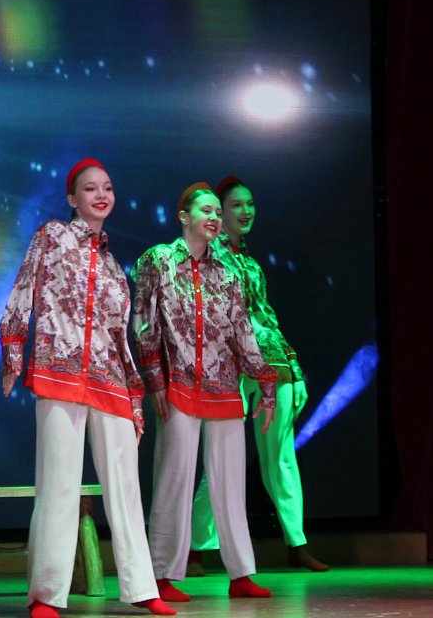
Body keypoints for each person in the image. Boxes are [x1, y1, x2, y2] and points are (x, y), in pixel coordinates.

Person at [0, 157, 175, 618]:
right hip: (59, 371)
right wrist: (13, 349)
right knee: (59, 483)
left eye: (108, 188)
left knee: (125, 485)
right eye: (91, 188)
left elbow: (121, 340)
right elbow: (23, 290)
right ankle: (47, 594)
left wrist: (135, 399)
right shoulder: (51, 237)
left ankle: (142, 587)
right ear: (72, 198)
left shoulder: (117, 269)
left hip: (110, 380)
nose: (101, 195)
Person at [135, 182, 276, 603]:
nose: (215, 218)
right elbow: (144, 324)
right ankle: (161, 574)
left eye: (218, 212)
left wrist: (265, 382)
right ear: (184, 216)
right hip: (178, 382)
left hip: (224, 386)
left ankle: (241, 574)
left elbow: (242, 331)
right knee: (174, 479)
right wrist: (154, 380)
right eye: (206, 211)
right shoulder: (158, 260)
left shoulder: (228, 271)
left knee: (230, 484)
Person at [189, 176, 327, 574]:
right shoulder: (205, 256)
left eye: (250, 204)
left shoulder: (251, 265)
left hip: (271, 365)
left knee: (281, 457)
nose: (246, 211)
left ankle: (296, 543)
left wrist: (294, 369)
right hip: (228, 366)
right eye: (236, 205)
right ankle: (196, 546)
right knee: (222, 457)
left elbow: (268, 320)